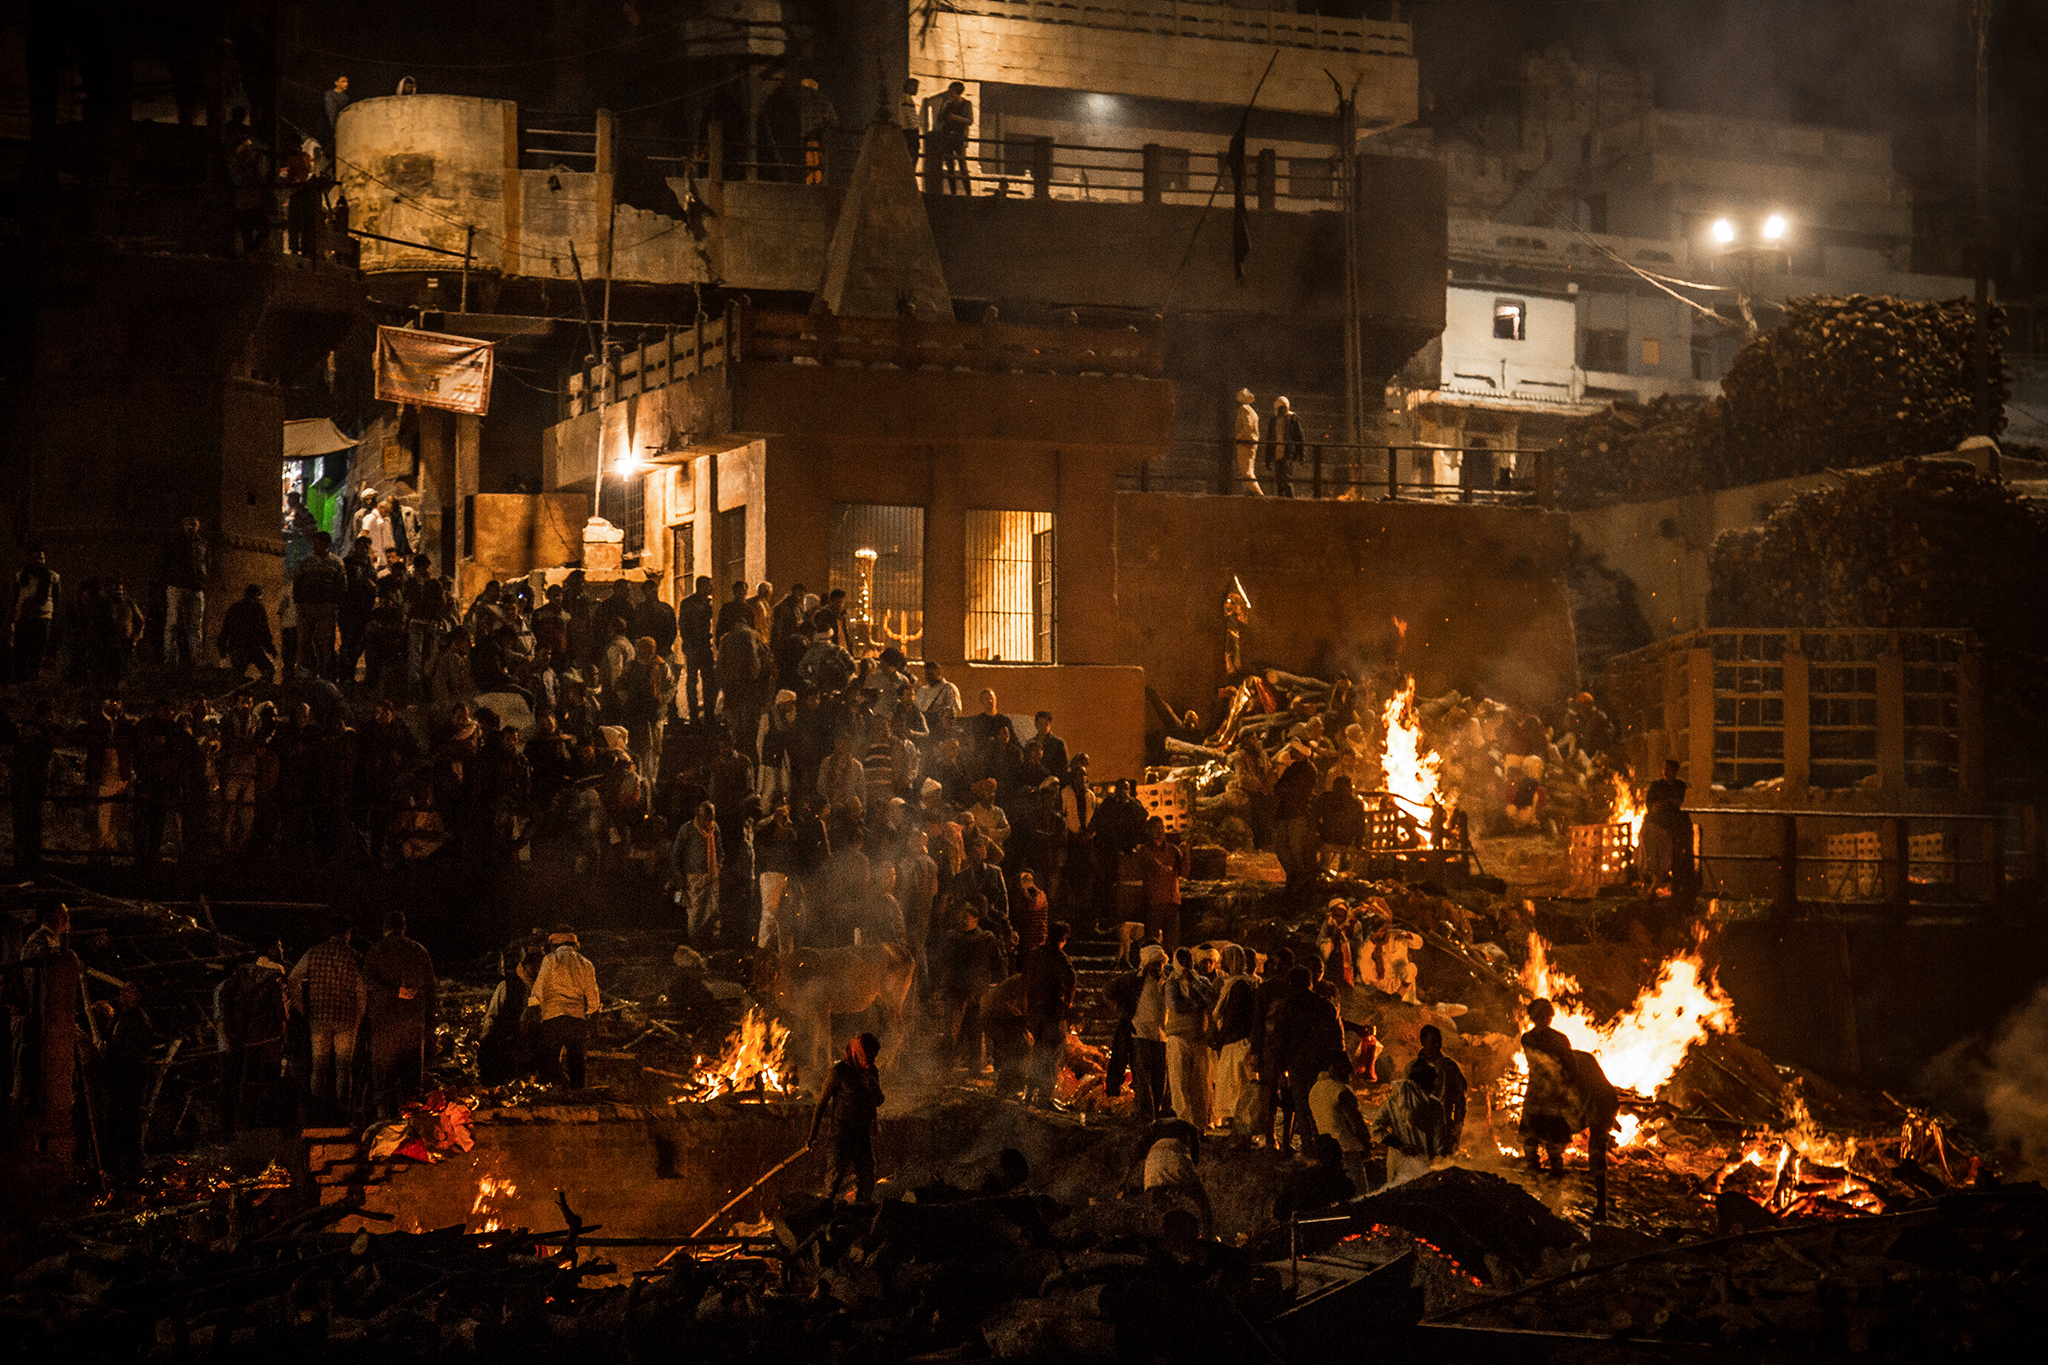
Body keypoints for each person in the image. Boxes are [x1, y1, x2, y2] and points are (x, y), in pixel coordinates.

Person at [288, 917, 367, 1120]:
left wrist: (301, 1006)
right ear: (347, 933)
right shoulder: (355, 957)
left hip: (319, 1017)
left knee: (319, 1066)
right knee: (344, 1067)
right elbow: (361, 991)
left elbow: (293, 979)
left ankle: (316, 1110)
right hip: (346, 1018)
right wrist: (359, 1015)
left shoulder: (313, 953)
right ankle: (343, 1110)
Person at [361, 911, 435, 1118]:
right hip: (413, 1026)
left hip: (384, 1027)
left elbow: (367, 982)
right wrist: (429, 1024)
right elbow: (431, 988)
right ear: (403, 928)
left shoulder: (376, 951)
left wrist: (393, 993)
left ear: (385, 928)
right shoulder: (420, 951)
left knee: (384, 1084)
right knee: (412, 1085)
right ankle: (412, 1129)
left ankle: (385, 1128)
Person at [214, 944, 287, 1133]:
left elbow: (223, 1006)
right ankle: (259, 1123)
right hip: (266, 1038)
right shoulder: (275, 977)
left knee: (242, 1082)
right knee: (264, 1080)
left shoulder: (239, 980)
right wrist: (283, 1027)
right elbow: (281, 1009)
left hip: (244, 1036)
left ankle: (238, 1125)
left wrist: (232, 1029)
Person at [810, 1031, 884, 1202]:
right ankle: (825, 1214)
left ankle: (860, 1212)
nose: (871, 1061)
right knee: (834, 1180)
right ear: (857, 1053)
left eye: (874, 1056)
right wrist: (812, 1136)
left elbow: (877, 1101)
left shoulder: (871, 1072)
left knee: (867, 1177)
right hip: (841, 1134)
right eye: (868, 1056)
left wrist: (873, 1121)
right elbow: (821, 1104)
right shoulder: (838, 1072)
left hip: (861, 1135)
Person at [1272, 965, 1342, 1146]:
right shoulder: (1325, 1005)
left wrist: (1280, 1067)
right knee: (1321, 1105)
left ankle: (1307, 1145)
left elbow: (1281, 1038)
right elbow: (1335, 1036)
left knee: (1301, 1105)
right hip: (1321, 1063)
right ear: (1310, 982)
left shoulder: (1287, 1006)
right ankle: (1324, 1144)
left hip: (1297, 1063)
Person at [99, 982, 159, 1183]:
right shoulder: (120, 1017)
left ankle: (133, 1167)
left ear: (137, 996)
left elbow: (136, 1048)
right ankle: (114, 1165)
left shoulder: (138, 1019)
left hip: (130, 1078)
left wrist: (120, 1057)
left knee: (129, 1122)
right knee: (115, 1120)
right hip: (118, 1077)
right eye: (122, 990)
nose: (123, 994)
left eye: (129, 991)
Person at [529, 926, 601, 1089]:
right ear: (575, 945)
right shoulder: (586, 964)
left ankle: (556, 1091)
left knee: (550, 1059)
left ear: (554, 945)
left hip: (552, 1018)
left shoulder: (550, 959)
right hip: (576, 1020)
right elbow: (593, 997)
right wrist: (594, 1022)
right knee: (577, 1062)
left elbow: (538, 990)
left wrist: (532, 1013)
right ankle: (576, 1095)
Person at [941, 899, 1004, 1072]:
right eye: (961, 917)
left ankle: (975, 1067)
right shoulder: (953, 938)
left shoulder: (986, 939)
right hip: (957, 991)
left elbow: (998, 963)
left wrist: (996, 983)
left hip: (977, 992)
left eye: (966, 918)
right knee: (952, 1032)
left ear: (976, 920)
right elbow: (945, 963)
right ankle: (948, 1066)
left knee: (976, 1031)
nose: (962, 921)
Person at [1519, 998, 1576, 1176]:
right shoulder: (1559, 1039)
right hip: (1551, 1096)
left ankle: (1535, 1172)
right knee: (1552, 1140)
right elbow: (1571, 1069)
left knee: (1532, 1138)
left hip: (1538, 1094)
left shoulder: (1527, 1038)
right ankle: (1555, 1174)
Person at [1021, 921, 1076, 1106]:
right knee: (1052, 1056)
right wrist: (1068, 1005)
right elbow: (1070, 980)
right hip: (1053, 1014)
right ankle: (1045, 1097)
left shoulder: (1034, 954)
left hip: (1035, 1012)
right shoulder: (1061, 958)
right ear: (1062, 940)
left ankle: (1029, 1094)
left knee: (1037, 1053)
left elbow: (1025, 980)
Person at [1163, 947, 1216, 1133]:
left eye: (1188, 960)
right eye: (1182, 960)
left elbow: (1211, 999)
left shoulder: (1201, 981)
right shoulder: (1171, 984)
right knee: (1179, 1083)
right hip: (1177, 1037)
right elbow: (1175, 1005)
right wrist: (1196, 1003)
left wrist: (1194, 985)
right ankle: (1183, 1123)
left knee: (1200, 1084)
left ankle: (1200, 1125)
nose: (1186, 964)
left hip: (1198, 1038)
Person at [1208, 944, 1259, 1135]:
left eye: (1224, 960)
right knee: (1233, 1087)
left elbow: (1233, 1016)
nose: (1221, 964)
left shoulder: (1239, 985)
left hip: (1237, 1044)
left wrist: (1219, 1037)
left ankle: (1240, 1133)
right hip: (1234, 1042)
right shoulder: (1235, 983)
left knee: (1236, 1089)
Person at [1374, 1060, 1447, 1187]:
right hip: (1410, 1163)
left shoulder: (1394, 1101)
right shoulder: (1433, 1105)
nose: (1434, 1086)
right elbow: (1439, 1141)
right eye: (1432, 1083)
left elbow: (1376, 1129)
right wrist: (1400, 1146)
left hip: (1407, 1162)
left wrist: (1399, 1146)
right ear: (1425, 1083)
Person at [1139, 1117, 1212, 1239]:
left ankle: (1152, 1235)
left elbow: (1140, 1147)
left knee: (1153, 1204)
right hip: (1176, 1157)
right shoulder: (1189, 1126)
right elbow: (1196, 1158)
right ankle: (1208, 1236)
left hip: (1153, 1160)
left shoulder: (1154, 1126)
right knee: (1202, 1202)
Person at [7, 699, 58, 870]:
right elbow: (33, 759)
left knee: (30, 820)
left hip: (29, 783)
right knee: (28, 820)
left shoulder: (34, 730)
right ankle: (26, 857)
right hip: (29, 783)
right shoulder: (35, 732)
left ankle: (28, 855)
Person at [1309, 1059, 1373, 1191]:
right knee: (1358, 1192)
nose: (1348, 1076)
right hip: (1347, 1147)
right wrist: (1366, 1142)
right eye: (1345, 1071)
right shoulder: (1340, 1089)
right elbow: (1355, 1120)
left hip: (1326, 1149)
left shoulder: (1314, 1090)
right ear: (1333, 1068)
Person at [291, 531, 347, 679]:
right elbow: (297, 583)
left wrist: (335, 604)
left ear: (326, 545)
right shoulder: (305, 562)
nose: (315, 546)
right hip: (307, 607)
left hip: (327, 608)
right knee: (304, 641)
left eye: (319, 543)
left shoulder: (336, 563)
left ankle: (324, 674)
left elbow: (342, 586)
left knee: (325, 643)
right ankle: (303, 673)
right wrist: (299, 603)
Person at [159, 516, 209, 666]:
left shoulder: (201, 544)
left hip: (195, 587)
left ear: (198, 526)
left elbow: (206, 563)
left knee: (195, 624)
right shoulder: (174, 543)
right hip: (177, 585)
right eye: (188, 524)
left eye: (193, 524)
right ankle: (171, 657)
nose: (191, 527)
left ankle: (196, 658)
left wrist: (203, 581)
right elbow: (165, 562)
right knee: (173, 622)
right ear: (183, 525)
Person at [1638, 758, 1693, 893]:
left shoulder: (1679, 786)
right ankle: (1647, 883)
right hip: (1653, 824)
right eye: (1664, 768)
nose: (1665, 772)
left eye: (1668, 769)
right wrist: (1662, 804)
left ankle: (1656, 884)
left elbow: (1677, 802)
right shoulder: (1656, 785)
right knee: (1647, 854)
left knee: (1665, 856)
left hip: (1669, 827)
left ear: (1674, 771)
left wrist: (1667, 803)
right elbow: (1652, 805)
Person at [1129, 943, 1170, 1123]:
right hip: (1140, 1033)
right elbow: (1109, 992)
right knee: (1142, 1076)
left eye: (1160, 964)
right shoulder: (1134, 980)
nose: (1157, 968)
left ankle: (1157, 1113)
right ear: (1146, 964)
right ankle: (1143, 1113)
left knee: (1159, 1077)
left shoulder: (1166, 981)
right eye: (1153, 964)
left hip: (1161, 1035)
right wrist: (1125, 1014)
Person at [1136, 816, 1189, 953]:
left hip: (1172, 901)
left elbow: (1183, 872)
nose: (1159, 831)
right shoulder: (1146, 850)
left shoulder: (1172, 850)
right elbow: (1157, 868)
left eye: (1161, 828)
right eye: (1156, 828)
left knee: (1172, 943)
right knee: (1152, 943)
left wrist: (1187, 851)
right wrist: (1168, 869)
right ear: (1149, 831)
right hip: (1155, 902)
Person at [1414, 1024, 1468, 1155]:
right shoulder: (1414, 1068)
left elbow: (1461, 1100)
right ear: (1423, 1042)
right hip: (1420, 1128)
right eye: (1432, 1042)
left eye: (1438, 1041)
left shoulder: (1449, 1068)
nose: (1436, 1045)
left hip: (1444, 1128)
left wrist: (1457, 1127)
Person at [672, 801, 720, 944]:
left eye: (712, 818)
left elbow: (720, 851)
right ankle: (693, 943)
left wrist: (717, 869)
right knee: (695, 913)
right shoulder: (686, 830)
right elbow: (676, 854)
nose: (710, 821)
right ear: (698, 816)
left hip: (711, 876)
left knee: (712, 911)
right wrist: (680, 878)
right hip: (693, 876)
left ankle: (709, 942)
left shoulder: (715, 829)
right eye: (707, 818)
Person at [13, 546, 59, 682]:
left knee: (38, 653)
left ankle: (34, 681)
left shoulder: (52, 577)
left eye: (42, 558)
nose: (39, 561)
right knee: (22, 654)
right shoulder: (21, 577)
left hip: (42, 619)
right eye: (36, 558)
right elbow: (15, 599)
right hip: (24, 619)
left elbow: (56, 599)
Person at [675, 576, 716, 721]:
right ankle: (697, 713)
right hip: (696, 645)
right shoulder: (691, 603)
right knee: (695, 680)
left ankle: (705, 712)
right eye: (709, 586)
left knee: (706, 680)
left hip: (701, 645)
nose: (711, 589)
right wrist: (688, 642)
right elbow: (683, 625)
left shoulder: (707, 603)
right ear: (701, 586)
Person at [218, 584, 277, 681]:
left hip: (236, 649)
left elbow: (225, 631)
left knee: (237, 677)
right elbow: (264, 632)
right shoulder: (258, 608)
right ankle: (261, 691)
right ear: (257, 596)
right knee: (269, 670)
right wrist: (271, 649)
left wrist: (222, 650)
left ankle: (238, 692)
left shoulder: (233, 608)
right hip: (254, 648)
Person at [933, 81, 973, 194]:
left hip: (959, 137)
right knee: (950, 166)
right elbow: (940, 119)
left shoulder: (966, 104)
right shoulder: (949, 105)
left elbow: (969, 120)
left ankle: (968, 192)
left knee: (962, 165)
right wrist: (943, 107)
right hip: (948, 137)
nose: (949, 92)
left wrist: (955, 118)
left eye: (951, 90)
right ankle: (953, 192)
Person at [1267, 395, 1305, 497]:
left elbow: (1300, 437)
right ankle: (1282, 497)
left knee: (1287, 476)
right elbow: (1269, 440)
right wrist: (1268, 459)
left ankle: (1289, 498)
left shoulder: (1293, 419)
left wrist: (1301, 455)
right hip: (1277, 452)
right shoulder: (1273, 421)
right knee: (1279, 476)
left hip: (1288, 452)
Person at [1233, 387, 1262, 494]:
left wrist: (1239, 436)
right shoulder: (1252, 411)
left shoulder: (1244, 409)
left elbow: (1248, 426)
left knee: (1246, 471)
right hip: (1251, 442)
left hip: (1245, 443)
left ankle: (1258, 493)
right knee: (1247, 469)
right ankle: (1248, 491)